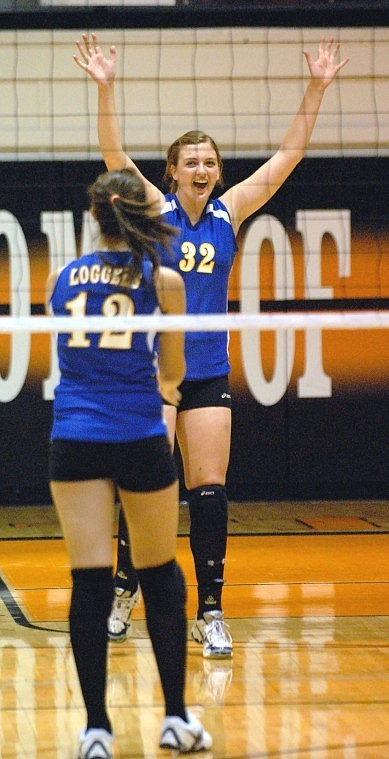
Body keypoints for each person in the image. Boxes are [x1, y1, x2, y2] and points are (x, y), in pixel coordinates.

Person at [73, 34, 349, 659]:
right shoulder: (155, 208)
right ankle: (124, 591)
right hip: (156, 372)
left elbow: (288, 156)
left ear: (218, 172)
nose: (201, 170)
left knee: (209, 490)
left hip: (208, 370)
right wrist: (106, 88)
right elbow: (113, 152)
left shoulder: (231, 211)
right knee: (148, 487)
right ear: (174, 171)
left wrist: (318, 88)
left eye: (209, 163)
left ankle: (212, 612)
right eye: (191, 162)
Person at [46, 168, 212, 758]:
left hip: (76, 433)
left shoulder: (61, 278)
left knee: (89, 581)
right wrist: (162, 394)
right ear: (141, 213)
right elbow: (173, 372)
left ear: (95, 217)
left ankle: (96, 731)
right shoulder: (163, 278)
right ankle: (174, 718)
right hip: (139, 431)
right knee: (160, 573)